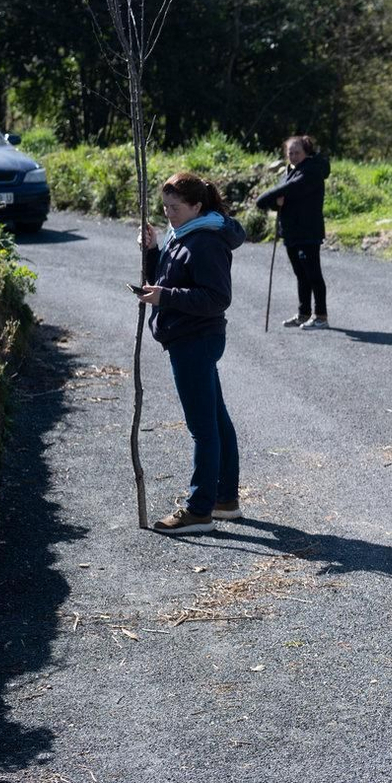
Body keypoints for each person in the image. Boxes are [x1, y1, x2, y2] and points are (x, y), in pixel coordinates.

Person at [138, 171, 248, 535]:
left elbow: (217, 298)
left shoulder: (205, 241)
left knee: (203, 428)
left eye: (175, 207)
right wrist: (153, 251)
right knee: (215, 420)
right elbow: (171, 281)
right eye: (165, 207)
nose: (168, 213)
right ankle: (224, 500)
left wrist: (165, 297)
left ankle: (199, 510)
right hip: (189, 339)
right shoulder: (182, 235)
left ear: (197, 206)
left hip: (196, 341)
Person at [255, 134, 331, 329]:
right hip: (291, 232)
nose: (293, 156)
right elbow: (279, 198)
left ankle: (321, 315)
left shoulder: (311, 171)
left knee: (313, 274)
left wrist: (264, 200)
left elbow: (289, 190)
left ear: (306, 153)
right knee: (301, 274)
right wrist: (275, 202)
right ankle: (304, 313)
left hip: (308, 231)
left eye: (297, 152)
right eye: (290, 153)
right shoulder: (289, 172)